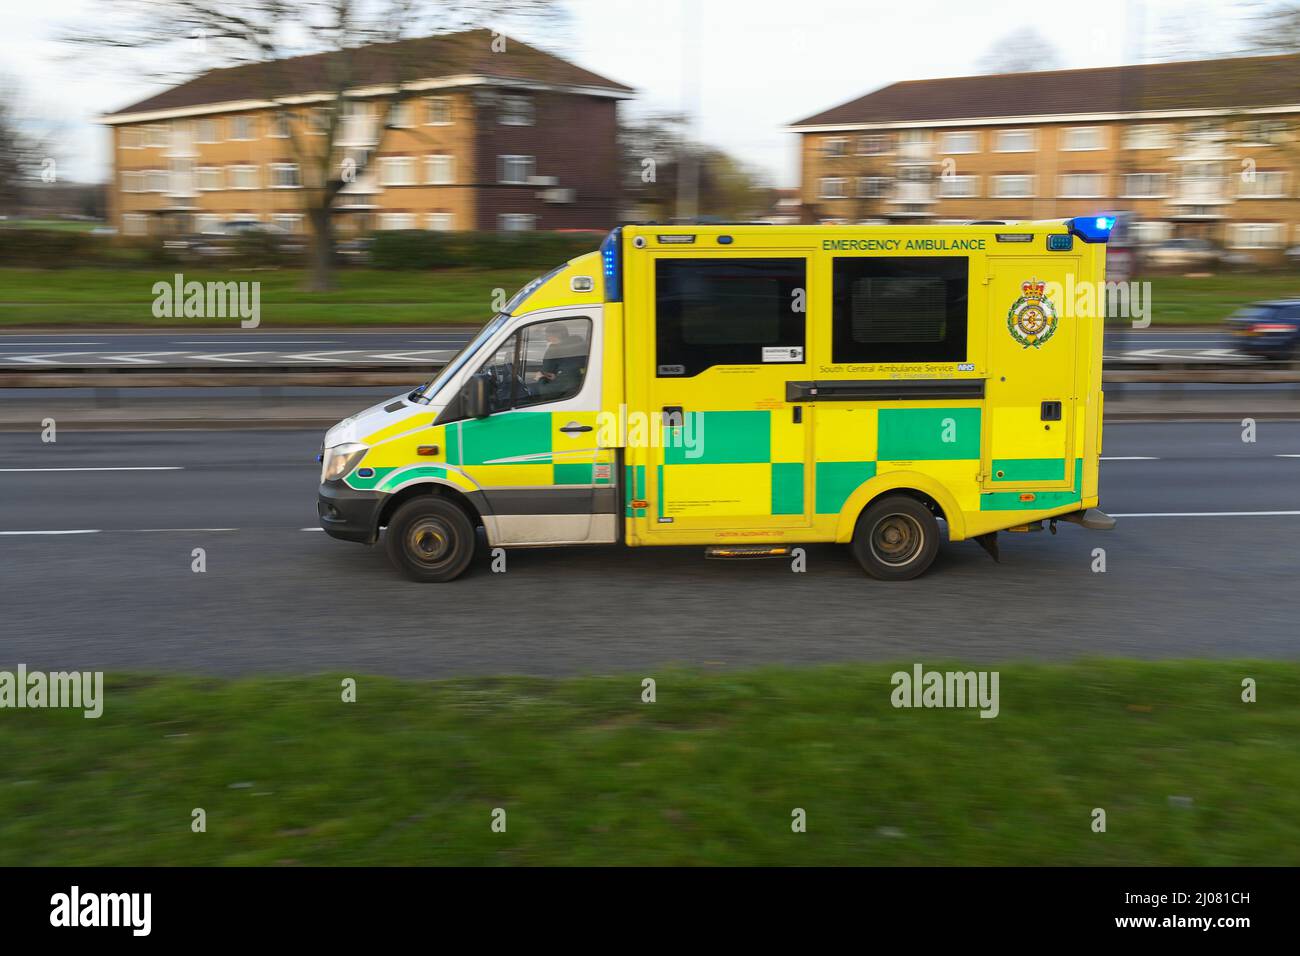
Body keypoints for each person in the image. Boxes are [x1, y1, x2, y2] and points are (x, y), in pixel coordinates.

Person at [535, 323, 586, 399]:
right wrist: (557, 378)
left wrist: (540, 378)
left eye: (547, 337)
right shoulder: (577, 354)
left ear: (552, 337)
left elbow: (546, 393)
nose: (547, 340)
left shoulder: (555, 352)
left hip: (565, 397)